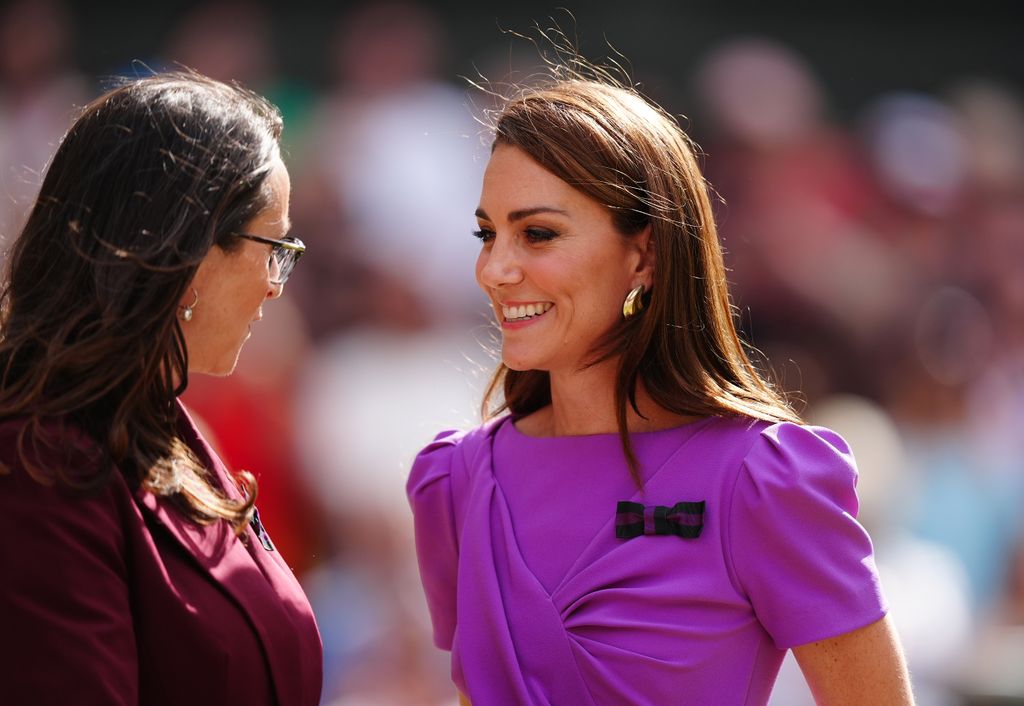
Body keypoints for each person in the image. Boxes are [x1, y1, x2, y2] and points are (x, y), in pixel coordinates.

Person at [406, 67, 915, 705]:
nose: (495, 269)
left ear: (643, 256)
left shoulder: (764, 480)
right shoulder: (454, 480)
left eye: (537, 234)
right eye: (488, 234)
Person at [0, 72, 320, 705]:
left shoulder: (163, 421)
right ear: (186, 247)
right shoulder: (37, 458)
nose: (277, 284)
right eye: (274, 246)